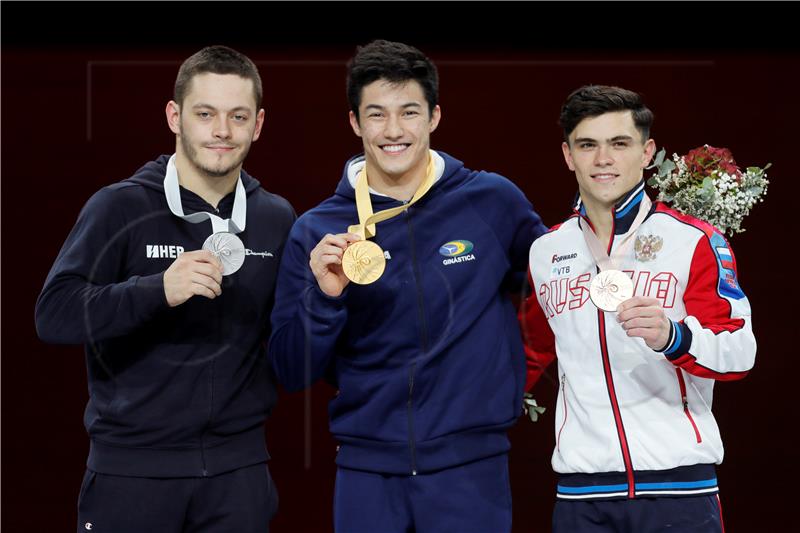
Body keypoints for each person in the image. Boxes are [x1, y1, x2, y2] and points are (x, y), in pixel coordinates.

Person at [268, 39, 547, 533]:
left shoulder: (492, 201)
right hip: (367, 473)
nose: (393, 131)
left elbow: (556, 286)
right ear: (355, 122)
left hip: (471, 469)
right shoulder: (318, 230)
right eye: (376, 115)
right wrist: (324, 298)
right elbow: (290, 369)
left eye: (409, 112)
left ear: (435, 117)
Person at [35, 45, 295, 533]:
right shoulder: (120, 207)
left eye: (238, 116)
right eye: (205, 114)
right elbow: (54, 314)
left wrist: (326, 298)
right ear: (175, 117)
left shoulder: (275, 219)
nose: (222, 131)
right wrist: (157, 290)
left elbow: (288, 343)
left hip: (236, 476)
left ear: (257, 125)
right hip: (133, 473)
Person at [520, 84, 756, 532]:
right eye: (587, 145)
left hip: (679, 489)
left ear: (647, 152)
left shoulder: (694, 241)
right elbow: (527, 354)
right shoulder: (546, 251)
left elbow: (739, 353)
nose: (603, 159)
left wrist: (675, 336)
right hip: (581, 494)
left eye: (619, 144)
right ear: (568, 155)